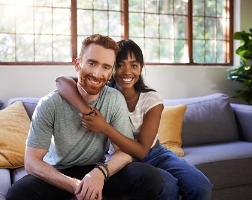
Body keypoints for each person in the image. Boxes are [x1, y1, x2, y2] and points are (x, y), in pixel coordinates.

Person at [6, 34, 162, 200]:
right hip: (59, 172)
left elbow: (124, 153)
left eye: (105, 67)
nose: (97, 73)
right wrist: (75, 185)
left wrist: (99, 174)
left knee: (149, 177)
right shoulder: (49, 103)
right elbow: (31, 163)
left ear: (110, 73)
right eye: (92, 63)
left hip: (96, 168)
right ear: (77, 64)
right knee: (18, 193)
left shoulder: (115, 99)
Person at [56, 39, 213, 200]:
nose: (127, 71)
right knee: (167, 185)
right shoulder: (101, 94)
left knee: (201, 186)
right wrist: (87, 111)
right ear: (110, 69)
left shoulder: (151, 99)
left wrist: (103, 127)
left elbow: (142, 150)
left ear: (141, 68)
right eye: (120, 65)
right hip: (119, 158)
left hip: (155, 154)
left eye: (134, 65)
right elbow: (61, 81)